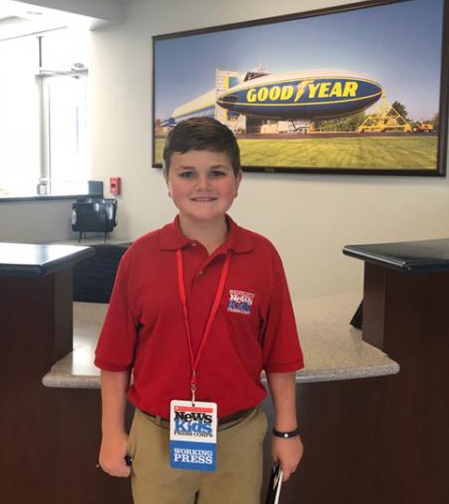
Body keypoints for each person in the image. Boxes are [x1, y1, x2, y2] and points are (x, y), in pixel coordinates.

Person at [95, 117, 304, 504]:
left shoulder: (262, 257)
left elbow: (280, 355)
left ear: (237, 181)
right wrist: (111, 433)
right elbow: (114, 358)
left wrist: (286, 432)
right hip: (156, 436)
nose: (203, 186)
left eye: (217, 173)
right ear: (169, 182)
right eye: (187, 173)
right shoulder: (139, 257)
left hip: (238, 436)